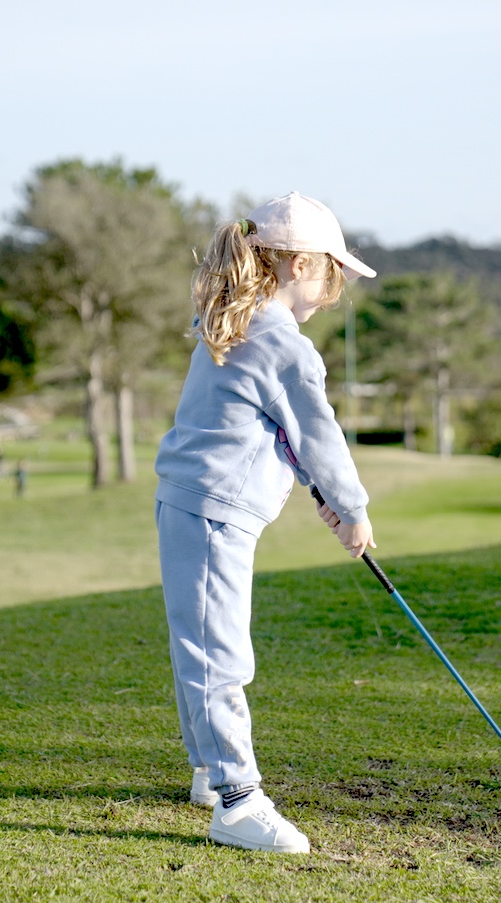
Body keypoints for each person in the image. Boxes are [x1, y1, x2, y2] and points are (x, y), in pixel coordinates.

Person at [155, 192, 377, 853]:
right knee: (219, 654)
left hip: (191, 503)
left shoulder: (233, 319)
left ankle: (210, 770)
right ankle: (238, 801)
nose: (331, 293)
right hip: (213, 511)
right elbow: (317, 433)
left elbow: (269, 429)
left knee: (201, 645)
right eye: (331, 275)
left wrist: (319, 490)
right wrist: (352, 510)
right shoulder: (282, 343)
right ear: (300, 265)